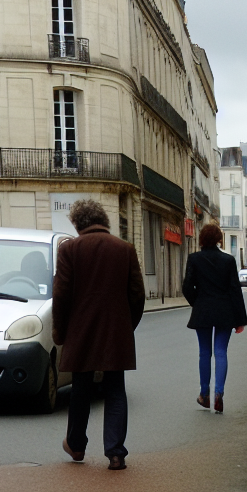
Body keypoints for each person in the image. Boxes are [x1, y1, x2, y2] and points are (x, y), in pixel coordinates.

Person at [53, 198, 145, 471]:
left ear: (78, 224)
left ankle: (76, 445)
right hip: (116, 330)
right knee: (116, 389)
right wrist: (127, 325)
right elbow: (137, 294)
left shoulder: (70, 250)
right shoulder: (125, 249)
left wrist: (61, 330)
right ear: (103, 221)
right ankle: (116, 453)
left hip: (80, 330)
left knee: (81, 387)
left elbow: (61, 295)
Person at [183, 223, 247, 414]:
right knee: (221, 352)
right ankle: (219, 393)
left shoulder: (194, 259)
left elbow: (187, 287)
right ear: (220, 239)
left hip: (203, 310)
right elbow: (235, 290)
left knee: (204, 352)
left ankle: (204, 394)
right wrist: (240, 319)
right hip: (225, 312)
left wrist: (198, 303)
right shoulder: (228, 261)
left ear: (201, 239)